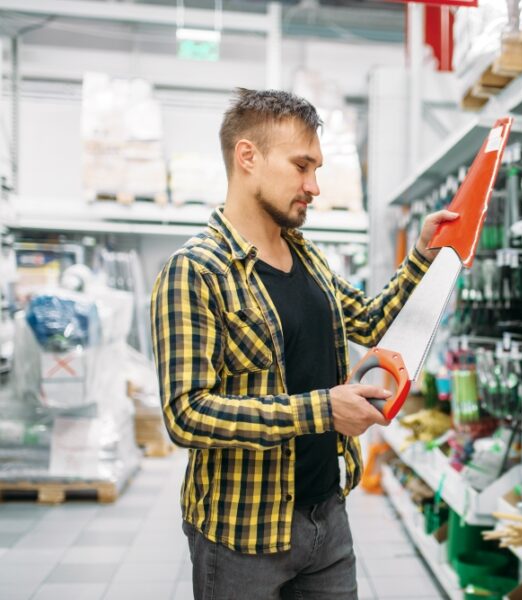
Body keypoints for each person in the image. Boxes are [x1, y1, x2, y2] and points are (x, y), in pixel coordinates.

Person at [150, 88, 458, 600]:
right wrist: (322, 411)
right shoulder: (195, 272)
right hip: (242, 537)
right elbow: (186, 414)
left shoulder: (307, 257)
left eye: (316, 168)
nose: (314, 186)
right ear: (247, 156)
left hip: (326, 516)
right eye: (302, 166)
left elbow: (371, 319)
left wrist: (422, 256)